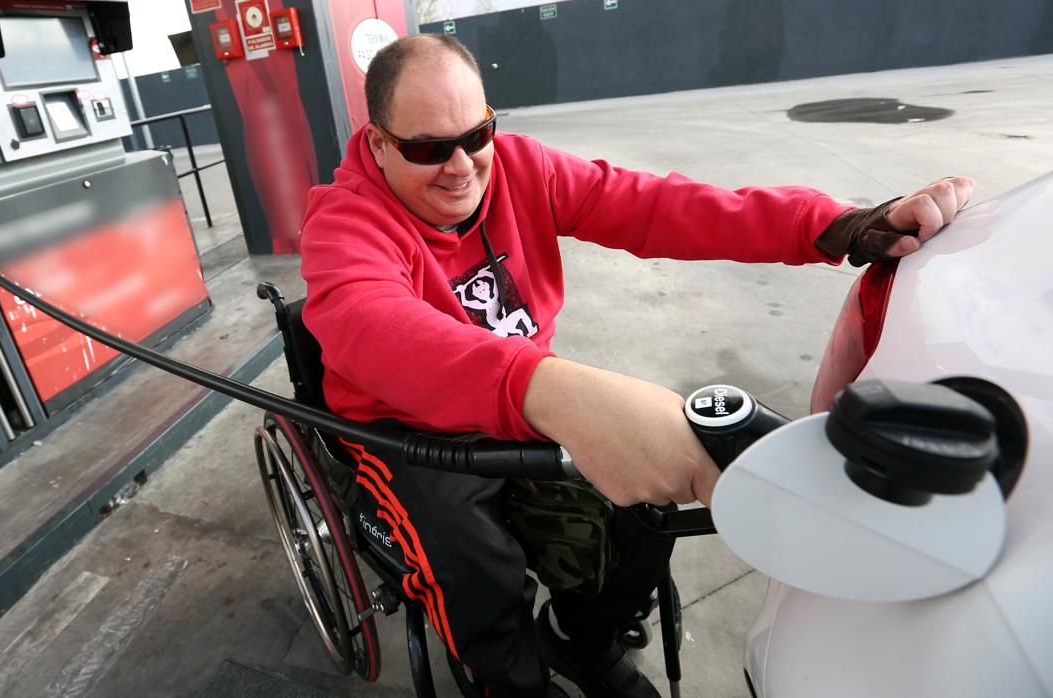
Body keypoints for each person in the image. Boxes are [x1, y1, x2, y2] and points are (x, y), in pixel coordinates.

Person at [298, 34, 972, 697]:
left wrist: (827, 225)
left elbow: (654, 206)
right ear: (379, 144)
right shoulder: (345, 221)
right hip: (409, 436)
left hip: (523, 403)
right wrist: (549, 389)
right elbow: (366, 324)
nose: (460, 166)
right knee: (473, 569)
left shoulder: (520, 170)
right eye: (425, 148)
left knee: (643, 520)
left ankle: (576, 636)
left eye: (476, 135)